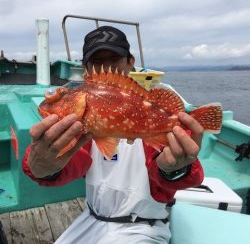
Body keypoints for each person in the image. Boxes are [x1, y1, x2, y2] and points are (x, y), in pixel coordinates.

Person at [22, 26, 204, 244]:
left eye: (114, 59)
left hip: (144, 228)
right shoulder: (81, 124)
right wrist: (40, 166)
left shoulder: (152, 110)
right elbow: (68, 164)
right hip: (91, 220)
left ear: (130, 62)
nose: (106, 68)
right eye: (97, 62)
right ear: (86, 68)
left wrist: (175, 170)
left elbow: (182, 171)